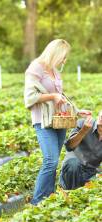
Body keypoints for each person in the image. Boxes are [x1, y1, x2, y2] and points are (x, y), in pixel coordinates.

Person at [24, 39, 72, 205]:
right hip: (43, 121)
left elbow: (60, 95)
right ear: (55, 53)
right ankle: (36, 203)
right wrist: (52, 97)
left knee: (54, 161)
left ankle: (48, 199)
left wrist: (77, 111)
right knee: (50, 161)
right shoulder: (36, 68)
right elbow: (29, 97)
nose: (64, 61)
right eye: (63, 57)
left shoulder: (55, 71)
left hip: (58, 121)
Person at [59, 111, 102, 190]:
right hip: (72, 171)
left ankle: (83, 193)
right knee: (73, 164)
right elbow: (69, 146)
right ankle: (69, 192)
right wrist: (83, 131)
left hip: (91, 174)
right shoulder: (83, 123)